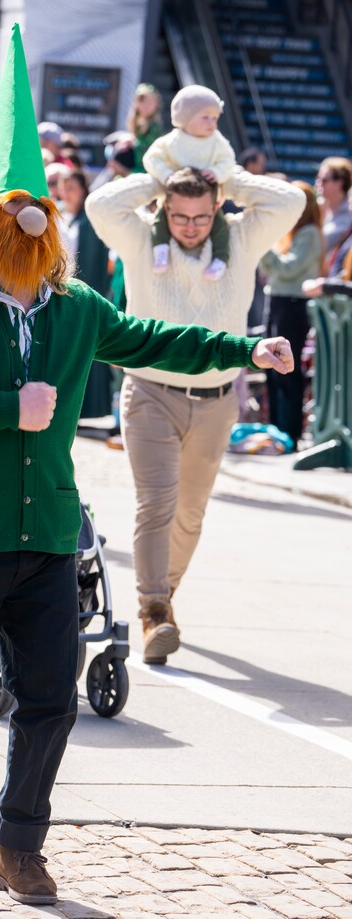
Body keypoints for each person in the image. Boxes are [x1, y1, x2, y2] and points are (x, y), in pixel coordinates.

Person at [0, 24, 296, 907]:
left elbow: (150, 336)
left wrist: (243, 346)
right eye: (14, 212)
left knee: (50, 698)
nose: (32, 226)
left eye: (42, 213)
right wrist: (6, 409)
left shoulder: (72, 306)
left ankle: (16, 844)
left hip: (47, 531)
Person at [86, 164, 305, 665]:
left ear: (218, 210)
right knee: (156, 503)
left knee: (190, 513)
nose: (190, 226)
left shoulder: (242, 240)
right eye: (179, 215)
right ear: (164, 208)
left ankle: (163, 596)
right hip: (149, 392)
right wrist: (158, 177)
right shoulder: (143, 240)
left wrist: (226, 177)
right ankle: (154, 611)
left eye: (201, 216)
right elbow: (101, 206)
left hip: (216, 400)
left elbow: (289, 201)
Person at [143, 85, 236, 280]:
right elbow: (151, 158)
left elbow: (228, 161)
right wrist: (166, 174)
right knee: (160, 221)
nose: (211, 123)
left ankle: (221, 259)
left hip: (208, 200)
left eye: (215, 118)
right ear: (185, 117)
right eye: (205, 117)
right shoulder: (172, 140)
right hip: (174, 196)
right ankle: (160, 251)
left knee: (220, 226)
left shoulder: (216, 141)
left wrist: (217, 173)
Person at [259, 182, 323, 447]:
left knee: (286, 368)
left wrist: (261, 244)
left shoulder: (309, 233)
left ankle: (289, 432)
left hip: (293, 303)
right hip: (276, 300)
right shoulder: (290, 233)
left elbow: (287, 268)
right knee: (270, 368)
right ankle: (276, 429)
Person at [59, 169, 113, 419]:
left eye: (72, 188)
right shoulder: (67, 218)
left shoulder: (89, 223)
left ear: (83, 190)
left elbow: (90, 263)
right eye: (64, 188)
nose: (67, 194)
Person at [315, 156, 352, 262]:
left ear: (340, 183)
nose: (318, 183)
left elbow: (317, 247)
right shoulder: (319, 208)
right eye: (317, 178)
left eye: (324, 180)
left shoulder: (348, 218)